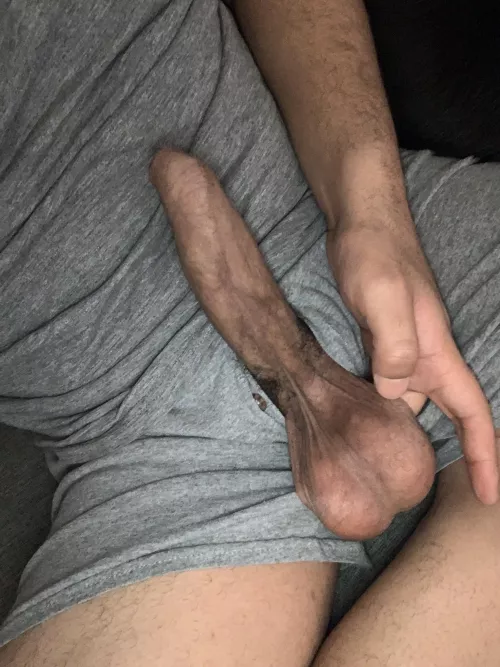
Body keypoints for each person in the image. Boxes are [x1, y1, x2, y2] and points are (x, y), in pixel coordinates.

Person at [0, 1, 499, 665]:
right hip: (139, 429)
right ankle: (295, 374)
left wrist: (370, 210)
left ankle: (300, 367)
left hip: (358, 229)